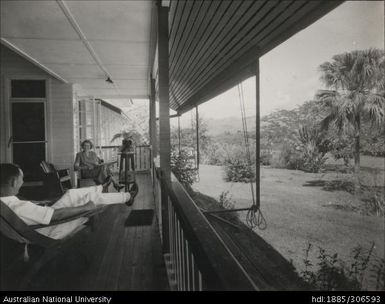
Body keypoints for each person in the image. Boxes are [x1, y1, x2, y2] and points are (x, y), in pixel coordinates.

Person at [0, 163, 138, 240]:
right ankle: (127, 197)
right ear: (13, 182)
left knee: (70, 193)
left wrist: (44, 203)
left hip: (39, 223)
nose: (22, 182)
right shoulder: (17, 206)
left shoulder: (6, 203)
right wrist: (85, 208)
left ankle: (101, 187)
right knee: (92, 200)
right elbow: (56, 216)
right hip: (47, 231)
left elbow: (35, 212)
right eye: (21, 179)